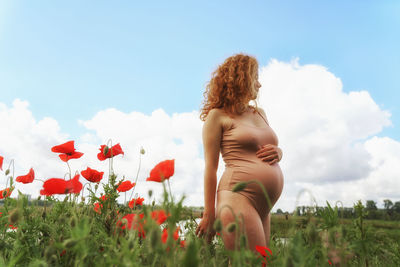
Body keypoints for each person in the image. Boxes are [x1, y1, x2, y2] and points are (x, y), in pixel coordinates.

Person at [195, 53, 284, 253]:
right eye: (255, 78)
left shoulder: (260, 112)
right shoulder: (217, 116)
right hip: (238, 197)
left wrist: (279, 152)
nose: (259, 85)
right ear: (241, 78)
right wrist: (209, 213)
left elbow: (266, 144)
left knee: (258, 262)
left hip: (263, 205)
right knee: (252, 262)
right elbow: (211, 168)